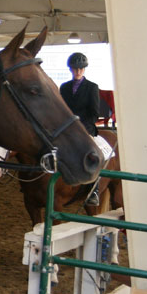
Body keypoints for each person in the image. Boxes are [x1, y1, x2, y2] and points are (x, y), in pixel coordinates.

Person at [60, 52, 101, 206]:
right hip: (67, 128)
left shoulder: (92, 87)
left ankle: (94, 191)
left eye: (80, 69)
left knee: (93, 154)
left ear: (84, 70)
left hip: (86, 129)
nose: (78, 71)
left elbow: (94, 113)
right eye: (75, 68)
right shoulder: (64, 88)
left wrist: (80, 127)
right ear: (71, 69)